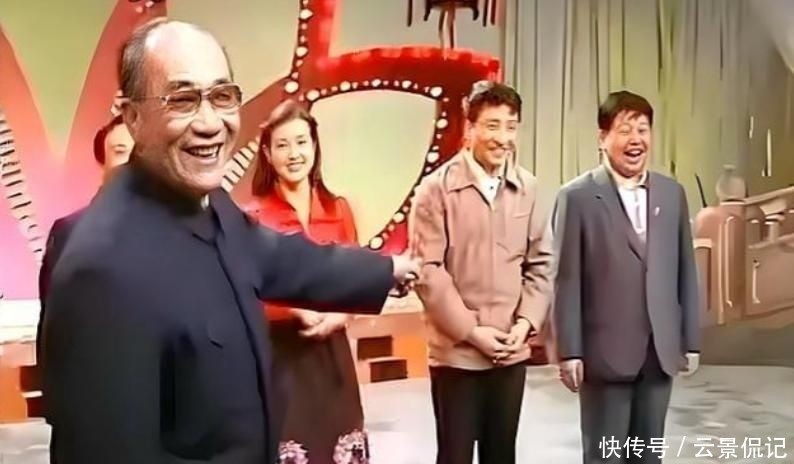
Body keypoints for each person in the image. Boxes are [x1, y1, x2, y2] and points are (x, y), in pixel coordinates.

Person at [41, 19, 420, 464]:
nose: (210, 124)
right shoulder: (99, 270)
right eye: (183, 100)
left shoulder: (209, 201)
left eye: (222, 96)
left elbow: (278, 256)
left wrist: (386, 270)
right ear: (132, 117)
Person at [551, 90, 700, 464]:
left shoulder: (672, 193)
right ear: (602, 138)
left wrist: (690, 340)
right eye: (625, 130)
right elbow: (566, 280)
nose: (636, 140)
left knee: (648, 456)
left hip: (659, 352)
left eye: (643, 129)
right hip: (604, 355)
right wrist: (569, 350)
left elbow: (685, 270)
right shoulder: (577, 197)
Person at [409, 80, 553, 464]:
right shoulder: (435, 190)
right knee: (454, 455)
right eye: (492, 125)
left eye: (511, 126)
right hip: (456, 356)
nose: (502, 138)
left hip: (511, 350)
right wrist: (473, 332)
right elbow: (429, 272)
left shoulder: (528, 188)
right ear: (469, 128)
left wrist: (525, 324)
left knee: (502, 455)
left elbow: (541, 263)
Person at [243, 100, 368, 463]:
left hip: (333, 359)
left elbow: (356, 283)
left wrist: (339, 316)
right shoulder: (253, 219)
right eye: (282, 145)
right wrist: (293, 310)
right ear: (267, 154)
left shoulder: (339, 210)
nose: (293, 154)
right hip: (283, 359)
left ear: (314, 146)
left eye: (301, 142)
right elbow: (246, 294)